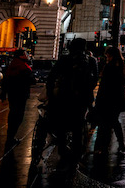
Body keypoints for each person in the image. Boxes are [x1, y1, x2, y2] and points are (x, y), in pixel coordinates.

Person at [46, 38, 98, 169]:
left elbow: (52, 77)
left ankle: (63, 151)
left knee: (62, 125)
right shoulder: (91, 60)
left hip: (64, 96)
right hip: (82, 99)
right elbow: (94, 80)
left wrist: (51, 94)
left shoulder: (64, 59)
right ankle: (76, 155)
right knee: (78, 126)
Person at [94, 47, 125, 155]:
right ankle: (121, 144)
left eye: (107, 56)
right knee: (114, 121)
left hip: (107, 98)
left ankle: (103, 147)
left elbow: (104, 85)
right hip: (118, 98)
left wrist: (98, 100)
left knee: (106, 124)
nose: (106, 58)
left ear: (111, 55)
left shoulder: (110, 67)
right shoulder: (124, 65)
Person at [0, 48, 33, 149]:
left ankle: (10, 136)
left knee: (13, 113)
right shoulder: (23, 66)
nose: (27, 55)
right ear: (21, 55)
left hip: (12, 93)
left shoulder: (12, 65)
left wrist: (3, 93)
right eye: (25, 53)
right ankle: (11, 137)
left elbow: (6, 80)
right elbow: (29, 79)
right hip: (21, 94)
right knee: (18, 116)